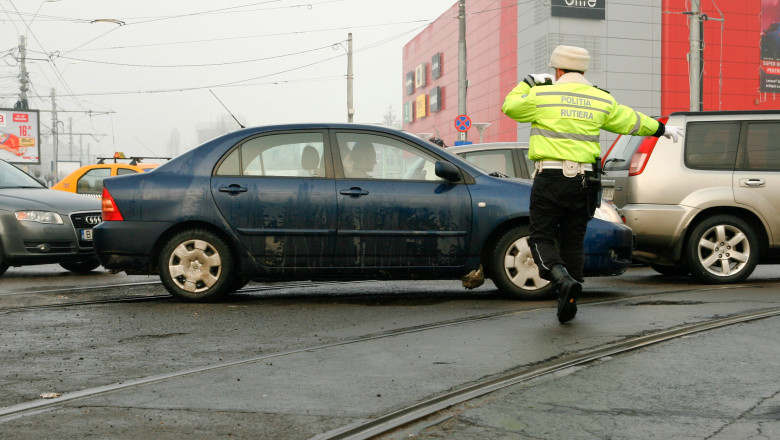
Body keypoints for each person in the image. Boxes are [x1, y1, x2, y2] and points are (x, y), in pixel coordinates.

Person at [501, 45, 683, 323]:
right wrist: (662, 129)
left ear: (557, 70)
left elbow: (509, 106)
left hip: (550, 178)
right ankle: (570, 296)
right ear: (583, 70)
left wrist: (528, 82)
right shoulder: (600, 99)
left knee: (541, 237)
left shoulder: (541, 96)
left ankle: (560, 279)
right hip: (584, 182)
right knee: (573, 240)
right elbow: (631, 121)